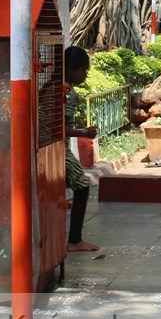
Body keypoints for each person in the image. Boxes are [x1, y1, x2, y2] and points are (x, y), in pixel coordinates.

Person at [63, 46, 100, 252]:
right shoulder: (66, 93)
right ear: (71, 69)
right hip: (58, 150)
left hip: (53, 147)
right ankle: (74, 240)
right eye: (83, 70)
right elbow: (55, 126)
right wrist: (83, 132)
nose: (85, 74)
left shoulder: (56, 88)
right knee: (82, 185)